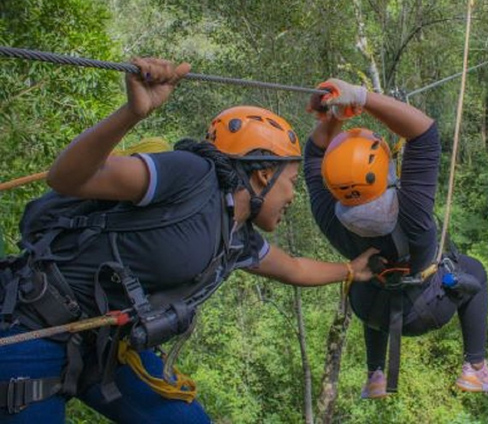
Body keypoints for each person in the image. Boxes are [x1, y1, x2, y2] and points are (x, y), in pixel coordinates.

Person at [0, 58, 375, 423]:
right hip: (32, 328)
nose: (293, 196)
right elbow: (69, 178)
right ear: (263, 173)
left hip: (107, 348)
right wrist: (133, 112)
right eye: (292, 182)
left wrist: (349, 270)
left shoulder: (236, 238)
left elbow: (294, 268)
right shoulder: (192, 177)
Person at [304, 79, 488, 399]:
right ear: (384, 171)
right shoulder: (410, 209)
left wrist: (335, 116)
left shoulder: (327, 213)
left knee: (367, 274)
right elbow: (424, 132)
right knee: (474, 269)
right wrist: (361, 99)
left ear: (329, 178)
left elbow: (313, 154)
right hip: (428, 310)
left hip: (374, 312)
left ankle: (375, 374)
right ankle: (475, 367)